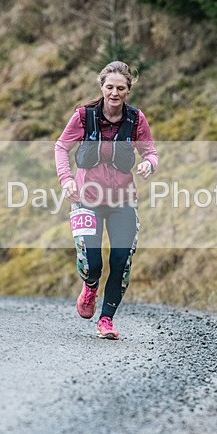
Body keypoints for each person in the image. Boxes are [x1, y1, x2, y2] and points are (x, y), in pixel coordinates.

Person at [54, 61, 158, 340]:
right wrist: (66, 180)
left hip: (123, 201)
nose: (114, 93)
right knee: (92, 263)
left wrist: (149, 164)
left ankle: (107, 320)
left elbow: (150, 152)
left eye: (120, 88)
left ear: (128, 90)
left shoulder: (136, 120)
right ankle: (89, 287)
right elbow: (61, 146)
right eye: (109, 87)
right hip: (86, 199)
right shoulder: (84, 116)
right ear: (102, 87)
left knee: (122, 261)